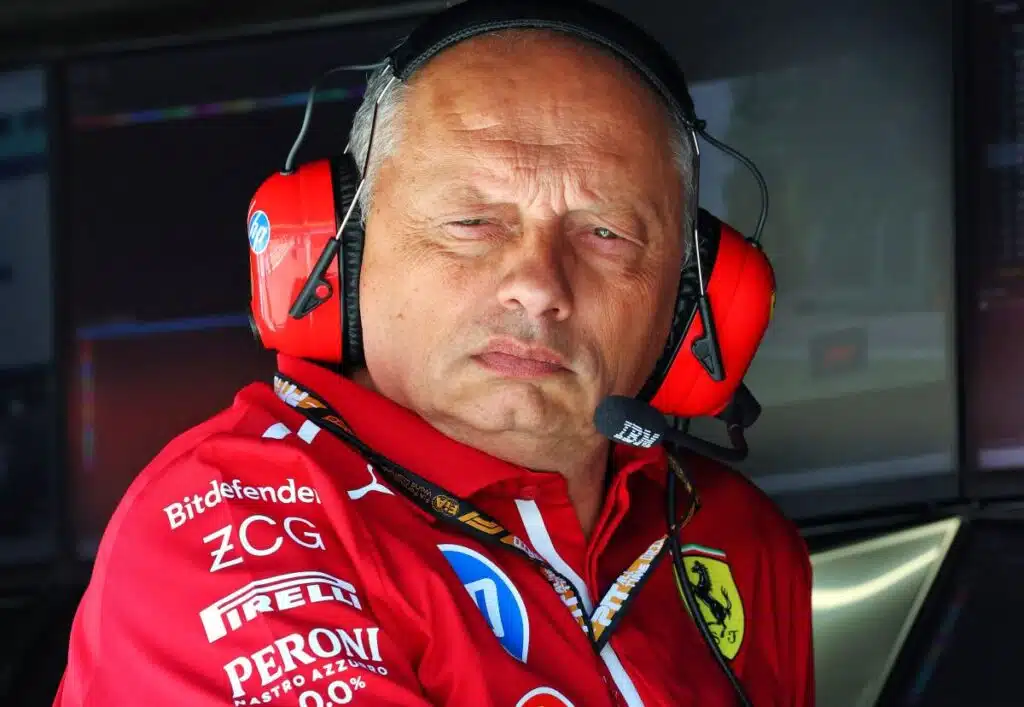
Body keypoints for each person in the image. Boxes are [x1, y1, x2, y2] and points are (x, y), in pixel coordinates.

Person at [54, 2, 814, 706]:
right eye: (471, 221)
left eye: (605, 233)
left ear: (694, 297)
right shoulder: (226, 524)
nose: (537, 287)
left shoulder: (736, 535)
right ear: (338, 248)